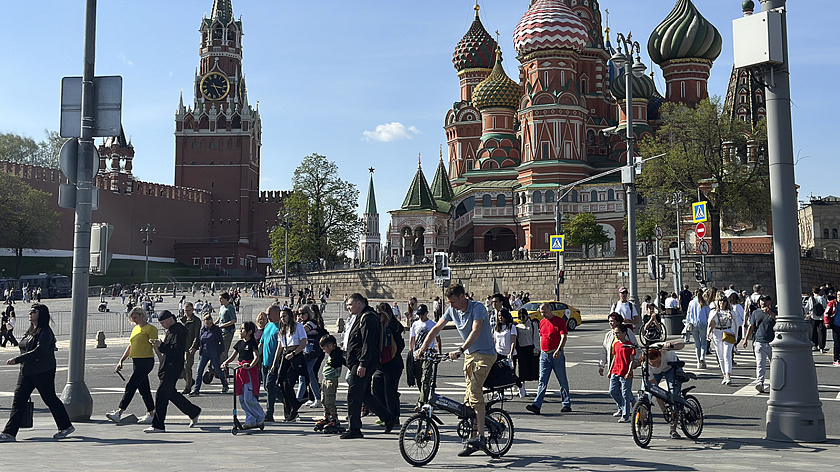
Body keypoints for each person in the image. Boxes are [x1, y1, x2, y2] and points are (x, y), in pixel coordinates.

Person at [416, 283, 497, 457]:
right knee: (468, 400)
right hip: (470, 356)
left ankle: (481, 437)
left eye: (453, 301)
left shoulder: (478, 308)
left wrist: (460, 349)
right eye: (449, 302)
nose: (451, 305)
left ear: (463, 296)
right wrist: (422, 349)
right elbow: (436, 328)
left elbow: (476, 331)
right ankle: (473, 440)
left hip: (485, 354)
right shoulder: (452, 311)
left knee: (475, 391)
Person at [0, 304, 74, 442]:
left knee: (49, 398)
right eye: (30, 311)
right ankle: (9, 433)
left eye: (33, 311)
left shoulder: (45, 332)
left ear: (41, 314)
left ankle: (66, 426)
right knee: (18, 400)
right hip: (27, 371)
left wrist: (18, 359)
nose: (30, 313)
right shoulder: (31, 330)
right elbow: (24, 346)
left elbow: (39, 352)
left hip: (42, 371)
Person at [341, 293, 395, 439]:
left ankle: (355, 429)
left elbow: (368, 343)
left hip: (363, 363)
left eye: (350, 304)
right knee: (364, 394)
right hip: (359, 362)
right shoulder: (361, 316)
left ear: (359, 303)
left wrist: (362, 364)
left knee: (353, 395)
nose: (348, 307)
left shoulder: (368, 317)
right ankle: (388, 418)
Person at [144, 310, 202, 433]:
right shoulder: (172, 330)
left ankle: (158, 425)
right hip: (168, 366)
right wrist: (159, 345)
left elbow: (176, 349)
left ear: (170, 319)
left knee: (161, 394)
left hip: (173, 367)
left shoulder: (179, 330)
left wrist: (161, 345)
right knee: (170, 393)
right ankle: (193, 411)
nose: (162, 325)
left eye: (163, 322)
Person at [107, 307, 158, 424]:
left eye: (135, 317)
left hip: (146, 361)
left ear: (142, 316)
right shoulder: (135, 329)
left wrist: (162, 360)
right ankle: (152, 413)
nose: (134, 320)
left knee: (131, 386)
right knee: (144, 389)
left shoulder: (150, 328)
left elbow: (156, 346)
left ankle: (119, 412)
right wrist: (121, 361)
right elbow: (130, 346)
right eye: (132, 318)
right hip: (136, 361)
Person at [526, 302, 572, 415]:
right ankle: (537, 405)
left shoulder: (559, 321)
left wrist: (559, 349)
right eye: (541, 312)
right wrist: (540, 349)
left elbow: (564, 336)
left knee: (562, 380)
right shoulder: (542, 322)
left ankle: (566, 404)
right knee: (542, 381)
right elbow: (541, 336)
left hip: (556, 354)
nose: (543, 314)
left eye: (545, 312)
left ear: (550, 310)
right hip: (544, 355)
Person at [222, 321, 265, 428]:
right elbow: (233, 356)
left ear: (249, 332)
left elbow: (256, 357)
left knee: (248, 398)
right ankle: (250, 419)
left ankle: (260, 415)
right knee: (241, 398)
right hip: (240, 372)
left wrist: (250, 365)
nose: (240, 331)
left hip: (249, 372)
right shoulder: (240, 343)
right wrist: (225, 363)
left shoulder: (252, 343)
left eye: (243, 329)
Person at [599, 312, 640, 417]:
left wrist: (636, 361)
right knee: (614, 390)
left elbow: (635, 347)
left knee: (625, 390)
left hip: (625, 364)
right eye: (609, 321)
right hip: (614, 365)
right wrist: (602, 365)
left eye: (613, 321)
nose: (611, 323)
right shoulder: (608, 335)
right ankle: (622, 407)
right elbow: (604, 350)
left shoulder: (627, 332)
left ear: (618, 321)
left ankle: (626, 410)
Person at [270, 308, 307, 422]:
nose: (283, 319)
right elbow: (279, 347)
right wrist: (274, 362)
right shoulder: (282, 329)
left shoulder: (298, 327)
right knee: (281, 382)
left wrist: (294, 353)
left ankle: (294, 408)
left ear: (290, 316)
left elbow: (304, 343)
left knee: (288, 383)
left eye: (284, 316)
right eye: (281, 317)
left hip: (295, 356)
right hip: (285, 356)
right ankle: (290, 411)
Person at [643, 341, 687, 439]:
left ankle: (673, 429)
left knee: (673, 395)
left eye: (659, 361)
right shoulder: (646, 365)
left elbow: (682, 344)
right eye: (654, 363)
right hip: (655, 373)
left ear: (661, 354)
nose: (657, 364)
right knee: (646, 394)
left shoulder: (663, 349)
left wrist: (671, 346)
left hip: (670, 367)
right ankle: (639, 425)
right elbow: (653, 387)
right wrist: (663, 408)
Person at [372, 302, 405, 428]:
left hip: (391, 363)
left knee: (390, 391)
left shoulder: (391, 326)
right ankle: (386, 415)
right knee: (378, 388)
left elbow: (397, 346)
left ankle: (393, 417)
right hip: (386, 363)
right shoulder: (391, 325)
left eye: (379, 313)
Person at [409, 304, 442, 408]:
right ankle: (424, 395)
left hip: (428, 354)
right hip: (417, 355)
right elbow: (412, 339)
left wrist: (439, 353)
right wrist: (411, 352)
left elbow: (438, 339)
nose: (420, 317)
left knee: (426, 377)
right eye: (419, 314)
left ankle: (422, 402)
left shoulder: (432, 324)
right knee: (418, 378)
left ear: (427, 313)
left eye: (422, 314)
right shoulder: (415, 324)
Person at [743, 295, 776, 392]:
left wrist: (770, 313)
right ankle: (760, 382)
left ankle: (775, 382)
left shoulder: (775, 312)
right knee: (760, 364)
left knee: (775, 364)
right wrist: (745, 339)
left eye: (766, 301)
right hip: (759, 341)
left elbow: (779, 321)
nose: (764, 303)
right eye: (762, 301)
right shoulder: (756, 313)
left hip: (772, 342)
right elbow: (751, 326)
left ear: (770, 302)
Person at [190, 314, 229, 396]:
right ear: (204, 322)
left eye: (210, 323)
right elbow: (199, 340)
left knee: (218, 369)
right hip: (204, 352)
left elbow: (221, 340)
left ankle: (225, 384)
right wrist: (194, 348)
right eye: (207, 323)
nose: (209, 325)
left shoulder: (216, 329)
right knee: (199, 371)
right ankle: (196, 390)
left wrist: (222, 351)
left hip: (214, 351)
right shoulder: (203, 330)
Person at [316, 334, 346, 430]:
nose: (324, 351)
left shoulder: (337, 354)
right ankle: (327, 416)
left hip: (331, 380)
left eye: (324, 348)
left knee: (329, 400)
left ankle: (334, 417)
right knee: (323, 399)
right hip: (326, 379)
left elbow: (344, 361)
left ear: (330, 346)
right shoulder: (331, 355)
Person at [607, 325, 635, 423]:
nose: (616, 335)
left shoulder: (629, 345)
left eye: (618, 333)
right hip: (615, 371)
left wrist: (629, 372)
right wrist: (610, 370)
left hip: (625, 373)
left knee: (625, 394)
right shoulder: (616, 344)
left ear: (624, 333)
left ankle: (625, 415)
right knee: (612, 391)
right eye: (615, 333)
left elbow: (632, 360)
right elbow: (614, 358)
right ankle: (622, 407)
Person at [707, 292, 736, 385]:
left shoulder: (731, 312)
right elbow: (712, 324)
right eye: (720, 301)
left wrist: (731, 318)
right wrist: (709, 332)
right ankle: (724, 374)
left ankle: (728, 375)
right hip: (717, 333)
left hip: (728, 332)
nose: (722, 303)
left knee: (727, 354)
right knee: (720, 356)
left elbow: (736, 324)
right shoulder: (714, 312)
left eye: (724, 301)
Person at [260, 305, 282, 421]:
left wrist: (275, 363)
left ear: (277, 313)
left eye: (269, 314)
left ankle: (269, 413)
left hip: (275, 363)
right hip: (265, 362)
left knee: (270, 385)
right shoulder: (268, 325)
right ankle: (289, 402)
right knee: (268, 387)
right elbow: (262, 342)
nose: (267, 316)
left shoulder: (281, 327)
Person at [514, 308, 538, 397]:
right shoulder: (517, 326)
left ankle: (539, 389)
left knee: (534, 369)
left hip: (531, 348)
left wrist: (536, 349)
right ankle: (522, 389)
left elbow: (536, 337)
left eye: (523, 316)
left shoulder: (532, 324)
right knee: (522, 370)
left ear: (527, 316)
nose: (522, 319)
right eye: (520, 317)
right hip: (522, 349)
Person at [685, 288, 710, 369]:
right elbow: (708, 315)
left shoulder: (691, 303)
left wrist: (687, 323)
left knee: (697, 344)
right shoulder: (705, 303)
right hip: (703, 324)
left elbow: (688, 314)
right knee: (703, 342)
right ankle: (703, 357)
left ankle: (698, 362)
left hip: (693, 324)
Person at [180, 302, 200, 394]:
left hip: (190, 347)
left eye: (188, 310)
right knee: (180, 367)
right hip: (182, 346)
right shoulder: (182, 320)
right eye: (185, 310)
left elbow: (196, 335)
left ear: (192, 310)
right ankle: (190, 381)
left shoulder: (196, 321)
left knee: (188, 367)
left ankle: (188, 387)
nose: (187, 312)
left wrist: (194, 346)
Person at [805, 287, 828, 353]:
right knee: (822, 333)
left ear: (813, 292)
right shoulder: (822, 299)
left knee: (814, 331)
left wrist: (808, 313)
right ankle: (822, 347)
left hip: (813, 317)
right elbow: (826, 307)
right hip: (822, 317)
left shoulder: (811, 299)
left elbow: (807, 308)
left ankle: (815, 345)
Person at [217, 291, 237, 361]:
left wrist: (222, 326)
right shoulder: (222, 307)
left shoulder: (230, 308)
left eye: (221, 299)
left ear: (226, 299)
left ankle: (223, 368)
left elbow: (233, 320)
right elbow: (220, 318)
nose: (220, 300)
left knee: (224, 351)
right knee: (221, 349)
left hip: (228, 331)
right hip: (221, 331)